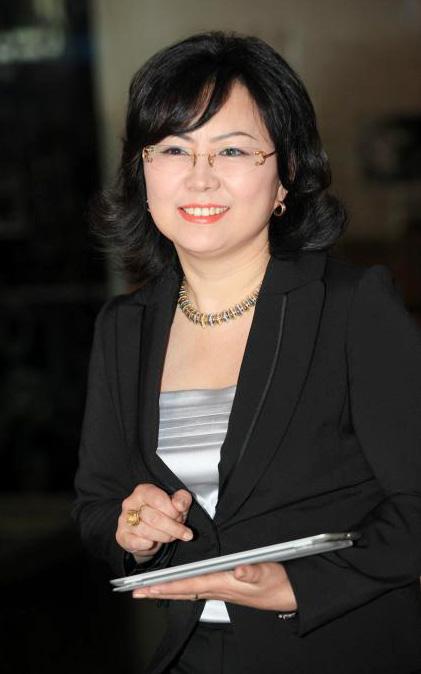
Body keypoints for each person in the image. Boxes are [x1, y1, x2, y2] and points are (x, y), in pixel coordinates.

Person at [72, 31, 421, 674]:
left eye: (232, 149)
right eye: (174, 149)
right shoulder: (124, 327)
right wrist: (132, 529)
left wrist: (300, 585)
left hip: (339, 649)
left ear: (286, 175)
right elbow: (97, 504)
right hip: (192, 656)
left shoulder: (352, 307)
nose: (199, 176)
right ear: (142, 171)